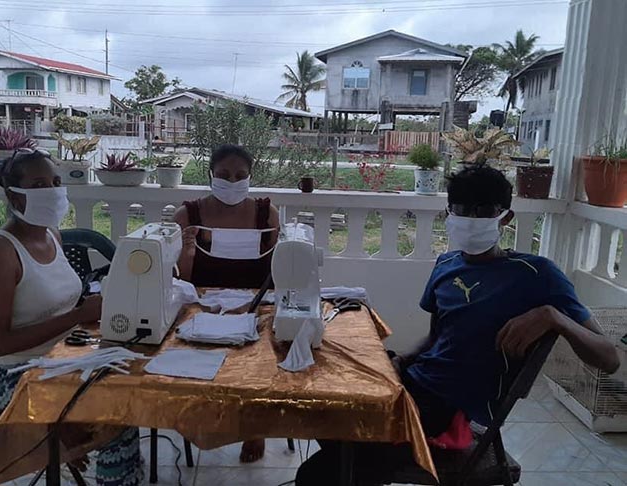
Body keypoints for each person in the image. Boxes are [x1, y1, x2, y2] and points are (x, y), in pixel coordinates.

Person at [295, 164, 620, 485]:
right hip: (415, 384)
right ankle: (371, 460)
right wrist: (400, 361)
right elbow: (438, 338)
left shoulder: (537, 275)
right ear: (449, 212)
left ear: (505, 217)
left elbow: (608, 357)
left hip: (449, 409)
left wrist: (554, 316)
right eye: (462, 209)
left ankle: (372, 458)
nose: (471, 218)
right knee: (326, 392)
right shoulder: (446, 265)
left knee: (317, 474)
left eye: (483, 210)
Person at [0, 149, 144, 485]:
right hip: (5, 373)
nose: (52, 190)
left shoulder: (52, 235)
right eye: (38, 184)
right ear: (13, 197)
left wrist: (91, 304)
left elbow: (57, 303)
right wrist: (77, 316)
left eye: (56, 182)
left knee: (130, 390)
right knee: (113, 415)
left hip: (60, 359)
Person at [172, 144, 280, 463]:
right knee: (194, 354)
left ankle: (253, 427)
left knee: (260, 357)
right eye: (223, 175)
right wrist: (187, 252)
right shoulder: (188, 215)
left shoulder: (266, 214)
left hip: (255, 306)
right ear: (210, 175)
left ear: (250, 177)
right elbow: (180, 283)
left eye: (239, 175)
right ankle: (200, 421)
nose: (231, 182)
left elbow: (278, 270)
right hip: (202, 307)